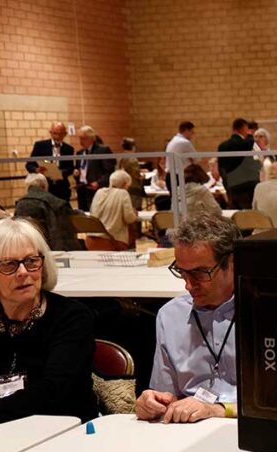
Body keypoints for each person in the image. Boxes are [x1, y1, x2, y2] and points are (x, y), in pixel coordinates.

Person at [0, 218, 98, 427]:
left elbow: (53, 392)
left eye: (31, 261)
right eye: (9, 264)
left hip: (64, 434)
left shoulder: (72, 318)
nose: (23, 272)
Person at [135, 214, 239, 423]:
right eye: (182, 272)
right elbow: (167, 395)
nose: (188, 285)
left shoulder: (270, 313)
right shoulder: (170, 316)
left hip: (250, 431)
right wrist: (152, 402)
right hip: (190, 430)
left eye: (200, 273)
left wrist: (217, 410)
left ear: (233, 263)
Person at [14, 173, 79, 251]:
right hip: (54, 252)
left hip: (26, 250)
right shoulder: (59, 204)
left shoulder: (20, 204)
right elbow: (68, 240)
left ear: (27, 187)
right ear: (45, 186)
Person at [25, 122, 75, 202]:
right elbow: (29, 165)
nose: (57, 137)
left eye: (60, 134)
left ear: (65, 134)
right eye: (55, 133)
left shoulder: (69, 149)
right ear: (50, 132)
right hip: (45, 186)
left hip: (62, 188)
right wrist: (36, 170)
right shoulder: (40, 146)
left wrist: (60, 172)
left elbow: (70, 168)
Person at [217, 118, 259, 209]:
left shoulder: (222, 145)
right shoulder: (244, 143)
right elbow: (250, 143)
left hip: (230, 183)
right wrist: (250, 135)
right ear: (244, 128)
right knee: (247, 210)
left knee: (234, 209)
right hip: (245, 184)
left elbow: (220, 167)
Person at [90, 170, 138, 246]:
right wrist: (134, 214)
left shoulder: (99, 192)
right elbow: (129, 219)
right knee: (132, 235)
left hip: (91, 240)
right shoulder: (123, 193)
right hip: (111, 241)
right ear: (124, 184)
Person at [74, 125, 114, 211]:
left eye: (83, 138)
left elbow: (109, 171)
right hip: (82, 190)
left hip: (96, 190)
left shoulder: (103, 150)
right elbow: (80, 170)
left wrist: (99, 183)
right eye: (79, 138)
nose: (81, 141)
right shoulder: (80, 153)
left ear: (91, 138)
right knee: (84, 216)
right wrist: (76, 173)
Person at [164, 121, 198, 190]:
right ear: (186, 130)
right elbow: (197, 159)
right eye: (192, 132)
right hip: (179, 176)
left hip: (169, 176)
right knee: (185, 199)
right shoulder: (184, 142)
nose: (193, 134)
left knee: (174, 199)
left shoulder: (172, 141)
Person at [117, 137, 146, 210]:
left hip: (121, 186)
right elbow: (136, 174)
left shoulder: (119, 157)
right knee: (135, 209)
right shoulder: (132, 158)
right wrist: (142, 176)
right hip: (133, 188)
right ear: (133, 147)